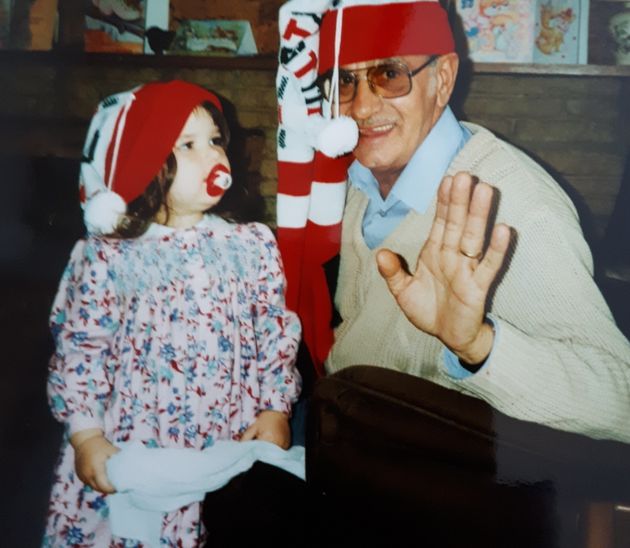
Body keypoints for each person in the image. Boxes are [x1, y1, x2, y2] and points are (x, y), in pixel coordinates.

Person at [276, 0, 630, 444]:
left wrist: (476, 345)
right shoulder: (347, 181)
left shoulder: (515, 208)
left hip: (428, 481)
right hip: (339, 430)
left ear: (441, 80)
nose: (362, 108)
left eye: (389, 75)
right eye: (345, 80)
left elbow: (621, 399)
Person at [43, 80, 301, 546]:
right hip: (136, 444)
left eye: (215, 140)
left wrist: (274, 407)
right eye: (188, 144)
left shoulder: (251, 245)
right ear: (146, 164)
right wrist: (86, 435)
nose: (213, 155)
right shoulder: (108, 257)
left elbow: (274, 334)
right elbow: (80, 350)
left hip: (229, 441)